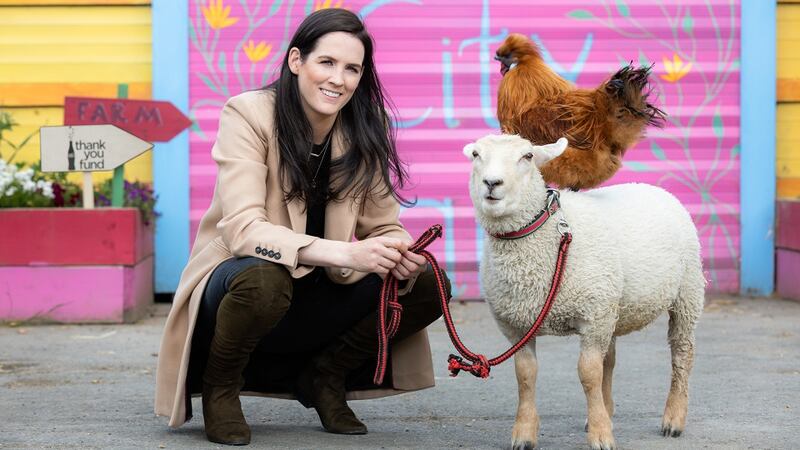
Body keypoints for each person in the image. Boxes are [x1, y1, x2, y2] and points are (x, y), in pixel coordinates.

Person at [154, 8, 451, 446]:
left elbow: (384, 226)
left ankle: (325, 376)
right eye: (326, 62)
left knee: (426, 282)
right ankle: (221, 386)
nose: (338, 79)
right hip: (245, 282)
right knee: (262, 278)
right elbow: (243, 229)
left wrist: (396, 251)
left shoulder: (364, 126)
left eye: (352, 69)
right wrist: (348, 252)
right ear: (296, 60)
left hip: (323, 287)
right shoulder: (248, 113)